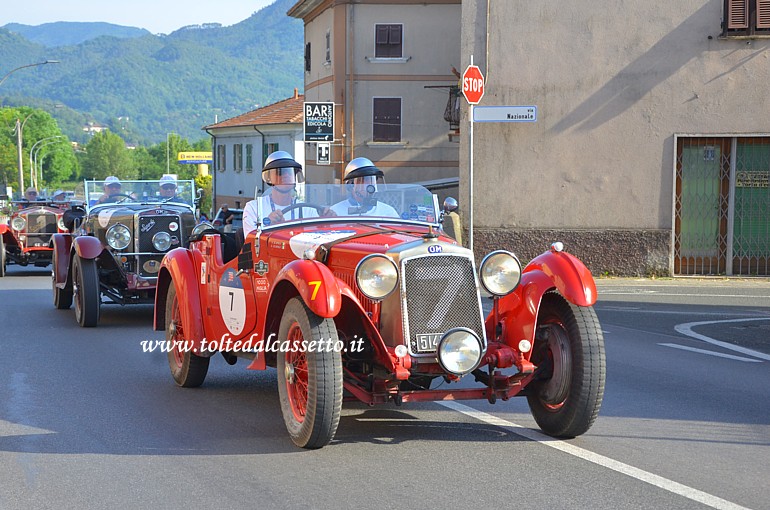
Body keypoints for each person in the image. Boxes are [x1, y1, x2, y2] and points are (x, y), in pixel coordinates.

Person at [242, 151, 327, 236]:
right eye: (280, 172)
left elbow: (317, 238)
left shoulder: (307, 209)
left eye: (290, 172)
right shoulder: (254, 208)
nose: (286, 175)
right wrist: (268, 224)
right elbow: (251, 241)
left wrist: (327, 222)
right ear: (268, 177)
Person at [330, 157, 399, 217]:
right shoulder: (335, 212)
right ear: (350, 185)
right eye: (362, 180)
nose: (369, 184)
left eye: (372, 179)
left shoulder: (388, 212)